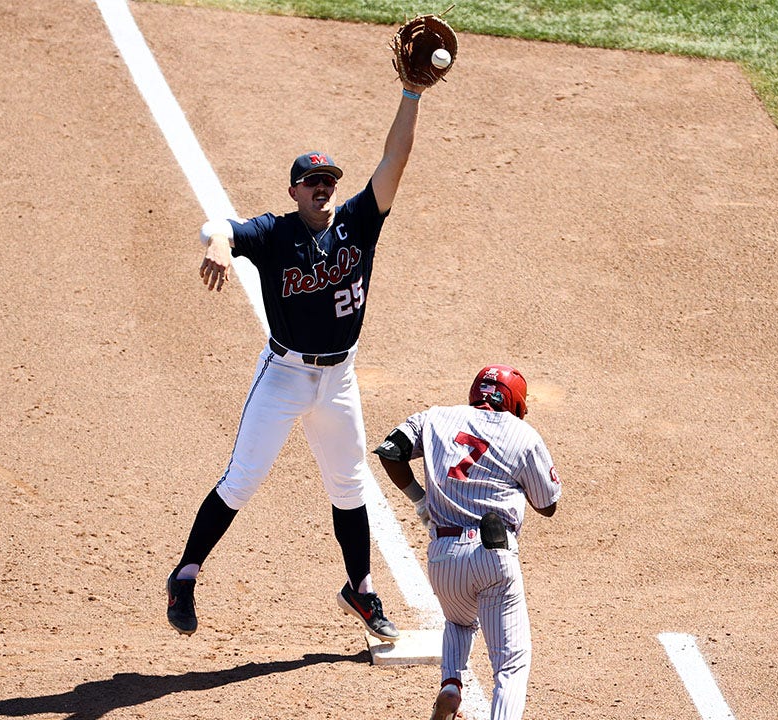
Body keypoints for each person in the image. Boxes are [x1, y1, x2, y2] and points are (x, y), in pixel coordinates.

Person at [165, 77, 436, 642]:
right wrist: (218, 244)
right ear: (294, 190)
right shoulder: (272, 233)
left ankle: (359, 590)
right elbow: (216, 226)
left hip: (339, 378)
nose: (323, 189)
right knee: (242, 480)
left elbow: (396, 157)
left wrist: (410, 94)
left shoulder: (360, 221)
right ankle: (186, 574)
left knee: (349, 485)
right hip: (284, 375)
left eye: (329, 181)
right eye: (312, 182)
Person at [373, 365, 562, 720]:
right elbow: (548, 505)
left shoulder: (435, 417)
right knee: (510, 667)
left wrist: (420, 501)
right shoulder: (522, 434)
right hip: (494, 556)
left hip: (443, 557)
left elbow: (390, 451)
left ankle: (450, 683)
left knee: (459, 622)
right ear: (517, 403)